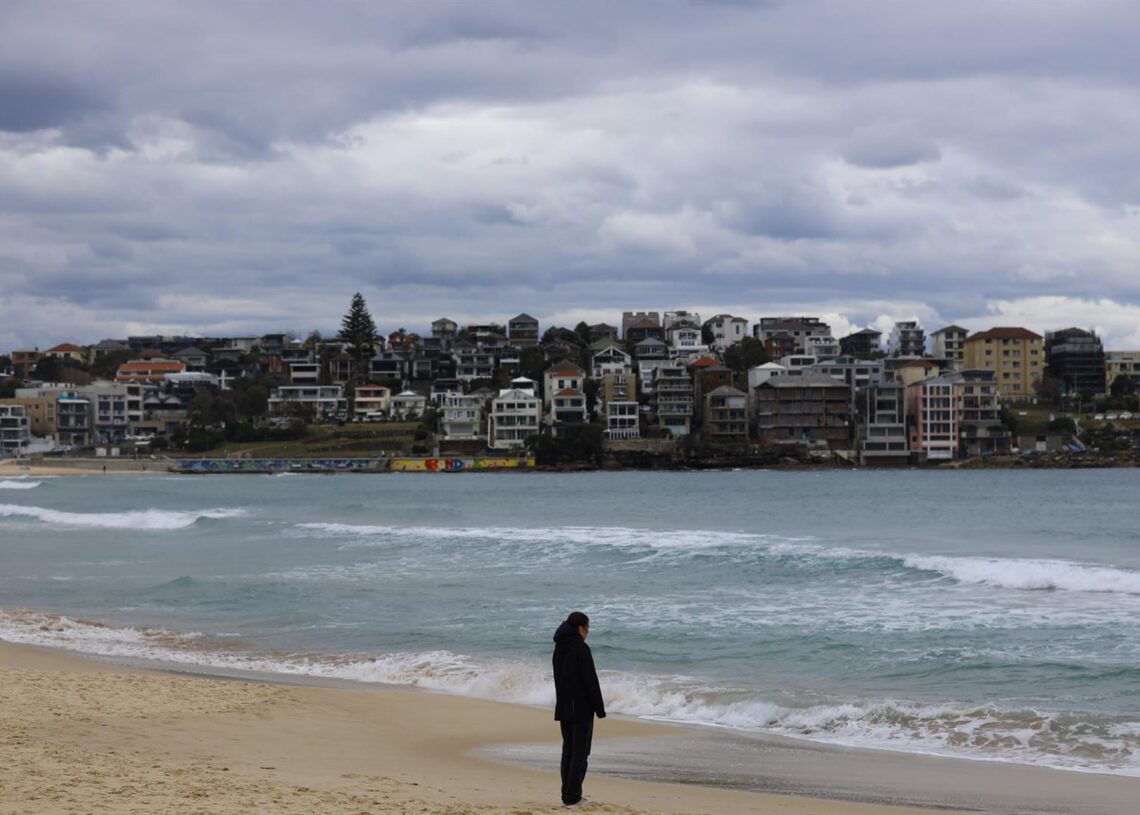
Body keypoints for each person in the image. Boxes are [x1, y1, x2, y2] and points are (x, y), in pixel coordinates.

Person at [552, 611, 606, 808]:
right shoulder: (580, 648)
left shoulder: (559, 647)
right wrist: (599, 709)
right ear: (580, 627)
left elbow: (559, 678)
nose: (588, 631)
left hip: (564, 706)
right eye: (587, 627)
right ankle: (573, 797)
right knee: (580, 753)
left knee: (568, 751)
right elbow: (590, 680)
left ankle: (567, 795)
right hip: (581, 708)